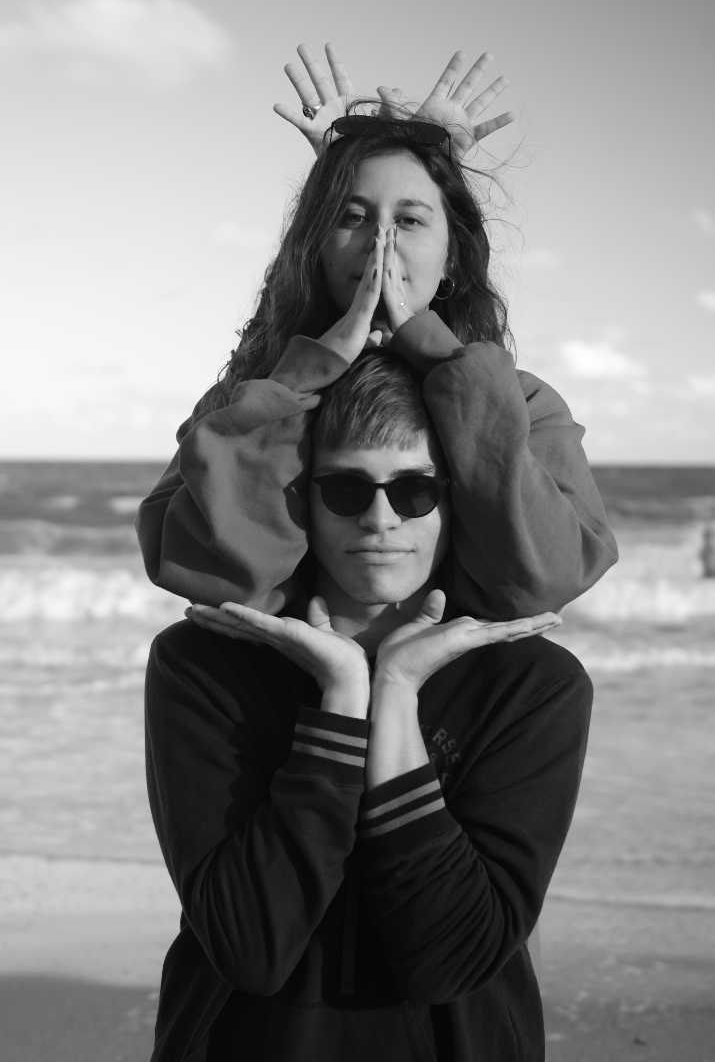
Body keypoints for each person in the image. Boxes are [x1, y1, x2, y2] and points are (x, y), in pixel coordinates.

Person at [145, 348, 592, 1061]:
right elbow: (250, 946)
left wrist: (397, 693)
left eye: (415, 490)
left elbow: (452, 957)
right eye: (345, 489)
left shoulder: (531, 684)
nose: (380, 518)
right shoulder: (204, 666)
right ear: (301, 500)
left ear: (459, 500)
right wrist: (341, 703)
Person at [135, 46, 618, 622]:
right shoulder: (247, 398)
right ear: (316, 245)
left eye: (409, 220)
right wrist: (302, 377)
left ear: (453, 256)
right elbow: (203, 571)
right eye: (352, 216)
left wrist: (436, 353)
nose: (379, 243)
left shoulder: (524, 402)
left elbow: (547, 577)